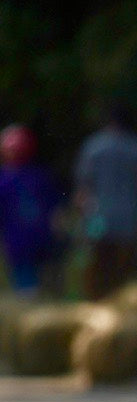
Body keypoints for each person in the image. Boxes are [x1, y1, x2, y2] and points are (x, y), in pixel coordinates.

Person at [73, 104, 137, 300]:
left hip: (97, 221)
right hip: (129, 222)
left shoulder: (93, 147)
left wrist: (80, 223)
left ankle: (94, 308)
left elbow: (82, 190)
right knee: (124, 274)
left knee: (96, 270)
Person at [0, 124, 64, 298]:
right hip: (43, 241)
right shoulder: (41, 176)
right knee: (47, 288)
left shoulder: (4, 181)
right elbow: (56, 212)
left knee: (27, 291)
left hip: (18, 244)